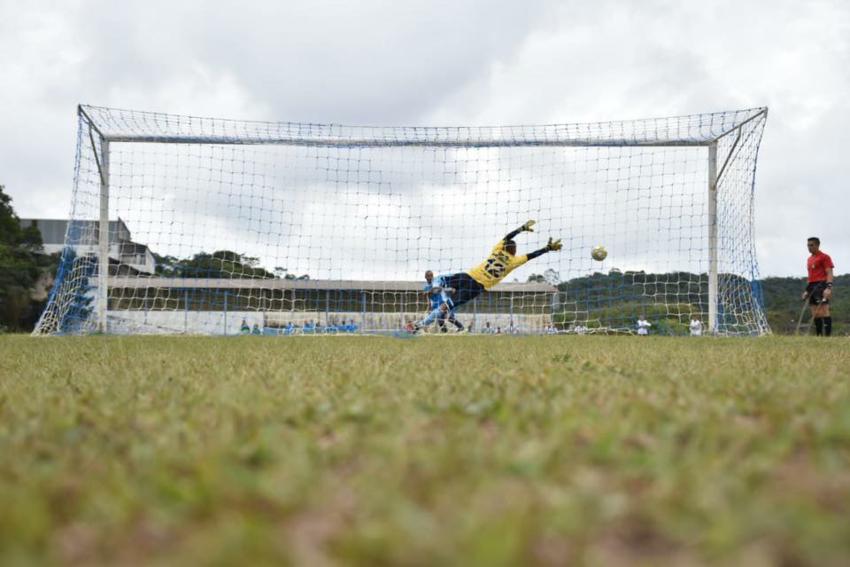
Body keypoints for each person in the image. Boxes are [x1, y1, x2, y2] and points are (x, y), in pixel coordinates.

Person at [413, 220, 561, 331]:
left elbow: (507, 236)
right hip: (476, 286)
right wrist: (547, 248)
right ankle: (420, 325)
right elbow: (532, 255)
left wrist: (521, 229)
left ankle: (438, 288)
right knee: (445, 308)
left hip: (467, 275)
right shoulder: (513, 262)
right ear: (514, 251)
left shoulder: (497, 250)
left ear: (504, 247)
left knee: (442, 280)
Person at [802, 236, 835, 336]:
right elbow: (810, 277)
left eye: (811, 245)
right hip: (812, 285)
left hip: (821, 285)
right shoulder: (809, 259)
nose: (809, 247)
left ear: (817, 245)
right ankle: (819, 335)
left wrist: (828, 287)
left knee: (824, 311)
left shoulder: (825, 257)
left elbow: (829, 272)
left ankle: (827, 337)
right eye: (808, 245)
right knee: (815, 313)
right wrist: (807, 290)